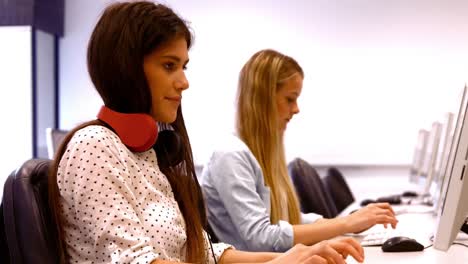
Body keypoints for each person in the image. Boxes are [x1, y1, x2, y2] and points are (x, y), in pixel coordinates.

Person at [47, 2, 364, 264]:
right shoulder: (93, 147)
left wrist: (295, 256)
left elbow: (202, 252)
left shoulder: (149, 152)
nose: (184, 81)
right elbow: (137, 261)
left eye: (184, 67)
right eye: (170, 66)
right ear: (125, 68)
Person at [200, 49, 399, 252]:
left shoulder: (260, 154)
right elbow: (261, 238)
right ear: (263, 100)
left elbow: (286, 218)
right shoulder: (230, 156)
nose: (296, 109)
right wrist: (345, 224)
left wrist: (348, 221)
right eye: (290, 99)